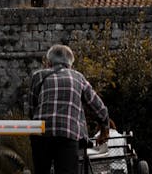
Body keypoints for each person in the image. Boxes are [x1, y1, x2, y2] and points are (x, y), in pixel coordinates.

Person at [27, 43, 110, 174]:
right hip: (67, 134)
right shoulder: (78, 77)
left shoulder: (38, 76)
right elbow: (99, 108)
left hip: (41, 134)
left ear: (49, 62)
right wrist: (104, 127)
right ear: (70, 64)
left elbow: (32, 109)